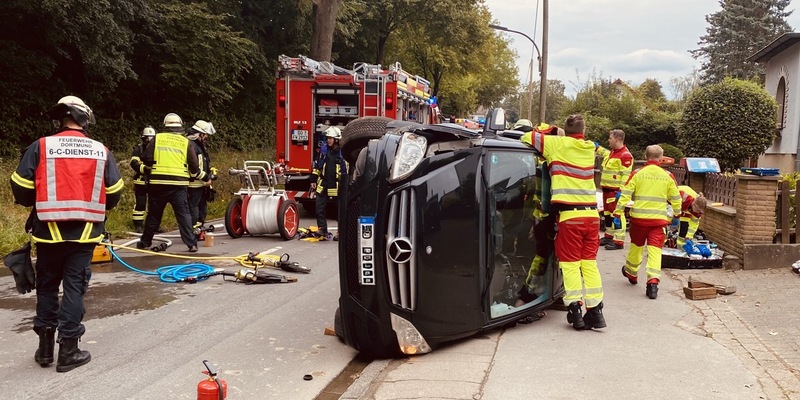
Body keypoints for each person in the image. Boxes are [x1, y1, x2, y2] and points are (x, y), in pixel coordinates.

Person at [10, 96, 124, 372]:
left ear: (60, 119)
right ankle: (69, 351)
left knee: (47, 287)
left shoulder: (41, 146)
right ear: (84, 119)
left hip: (48, 231)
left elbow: (21, 188)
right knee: (74, 288)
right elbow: (114, 192)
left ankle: (45, 350)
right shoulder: (100, 150)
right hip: (85, 234)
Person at [520, 114, 606, 330]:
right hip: (592, 217)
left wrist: (548, 131)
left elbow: (526, 137)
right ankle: (595, 312)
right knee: (589, 264)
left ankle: (575, 310)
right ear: (583, 131)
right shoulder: (588, 148)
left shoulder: (555, 144)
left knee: (570, 265)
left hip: (570, 217)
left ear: (564, 131)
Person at [615, 145, 682, 299]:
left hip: (639, 220)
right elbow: (676, 198)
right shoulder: (668, 176)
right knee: (655, 251)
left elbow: (625, 194)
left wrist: (617, 213)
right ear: (661, 158)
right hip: (658, 222)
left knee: (636, 247)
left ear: (645, 157)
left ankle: (631, 273)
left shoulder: (637, 174)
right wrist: (677, 214)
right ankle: (652, 283)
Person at [516, 121, 564, 306]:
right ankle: (535, 293)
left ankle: (532, 293)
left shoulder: (543, 164)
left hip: (547, 217)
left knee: (547, 257)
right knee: (550, 257)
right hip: (548, 217)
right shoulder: (548, 164)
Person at [138, 113, 200, 252]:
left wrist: (150, 167)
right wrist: (194, 174)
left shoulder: (157, 138)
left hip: (158, 183)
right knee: (183, 214)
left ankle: (145, 242)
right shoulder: (185, 142)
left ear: (165, 125)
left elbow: (147, 157)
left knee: (154, 214)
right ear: (180, 126)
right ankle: (191, 244)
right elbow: (194, 164)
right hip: (178, 185)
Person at [596, 129, 633, 250]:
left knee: (617, 215)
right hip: (607, 191)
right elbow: (603, 152)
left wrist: (621, 192)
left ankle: (618, 241)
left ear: (617, 139)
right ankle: (609, 236)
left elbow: (626, 176)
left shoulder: (625, 156)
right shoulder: (612, 153)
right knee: (607, 215)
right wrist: (595, 147)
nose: (608, 140)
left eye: (610, 138)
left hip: (615, 192)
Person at [311, 126, 347, 241]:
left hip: (337, 184)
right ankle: (322, 229)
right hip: (324, 182)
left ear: (336, 139)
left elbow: (346, 169)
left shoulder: (343, 151)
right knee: (319, 207)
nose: (328, 140)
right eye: (327, 138)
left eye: (331, 138)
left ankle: (340, 232)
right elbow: (318, 165)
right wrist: (313, 179)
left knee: (339, 210)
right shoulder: (324, 149)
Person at [186, 120, 216, 231]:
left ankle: (198, 230)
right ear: (199, 134)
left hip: (201, 184)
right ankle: (192, 232)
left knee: (202, 210)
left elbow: (202, 163)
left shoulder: (199, 145)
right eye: (205, 134)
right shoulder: (192, 146)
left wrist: (210, 175)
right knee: (193, 210)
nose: (207, 136)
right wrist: (206, 178)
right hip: (193, 185)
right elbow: (193, 168)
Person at [130, 126, 156, 233]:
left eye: (151, 138)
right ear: (143, 138)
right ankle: (138, 225)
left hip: (154, 181)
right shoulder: (138, 149)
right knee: (140, 204)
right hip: (140, 181)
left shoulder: (157, 150)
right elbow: (134, 163)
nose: (149, 141)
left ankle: (153, 225)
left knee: (154, 204)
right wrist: (144, 169)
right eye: (147, 138)